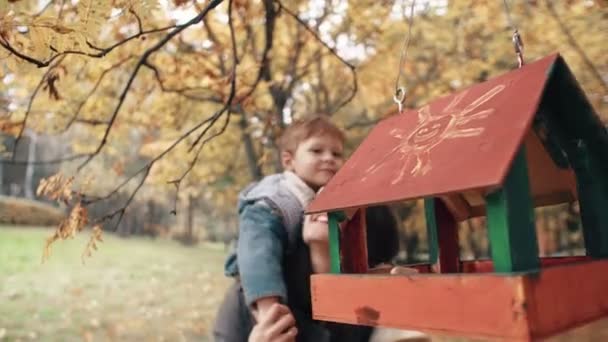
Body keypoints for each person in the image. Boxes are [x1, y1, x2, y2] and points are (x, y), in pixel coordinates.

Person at [213, 115, 346, 341]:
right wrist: (268, 312)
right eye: (316, 151)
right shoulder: (275, 199)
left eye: (337, 154)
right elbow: (257, 254)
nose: (329, 159)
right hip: (253, 309)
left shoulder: (322, 200)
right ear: (288, 161)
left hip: (291, 306)